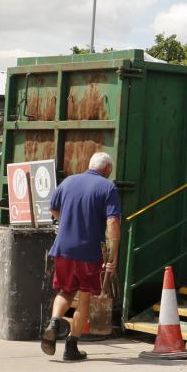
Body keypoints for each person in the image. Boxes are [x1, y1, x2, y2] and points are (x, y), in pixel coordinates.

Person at [41, 151, 122, 361]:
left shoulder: (68, 181)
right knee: (85, 297)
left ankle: (54, 322)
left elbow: (53, 209)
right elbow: (113, 222)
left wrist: (67, 223)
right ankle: (71, 346)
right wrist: (112, 256)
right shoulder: (108, 187)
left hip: (63, 249)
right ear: (108, 169)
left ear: (90, 164)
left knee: (65, 291)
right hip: (89, 253)